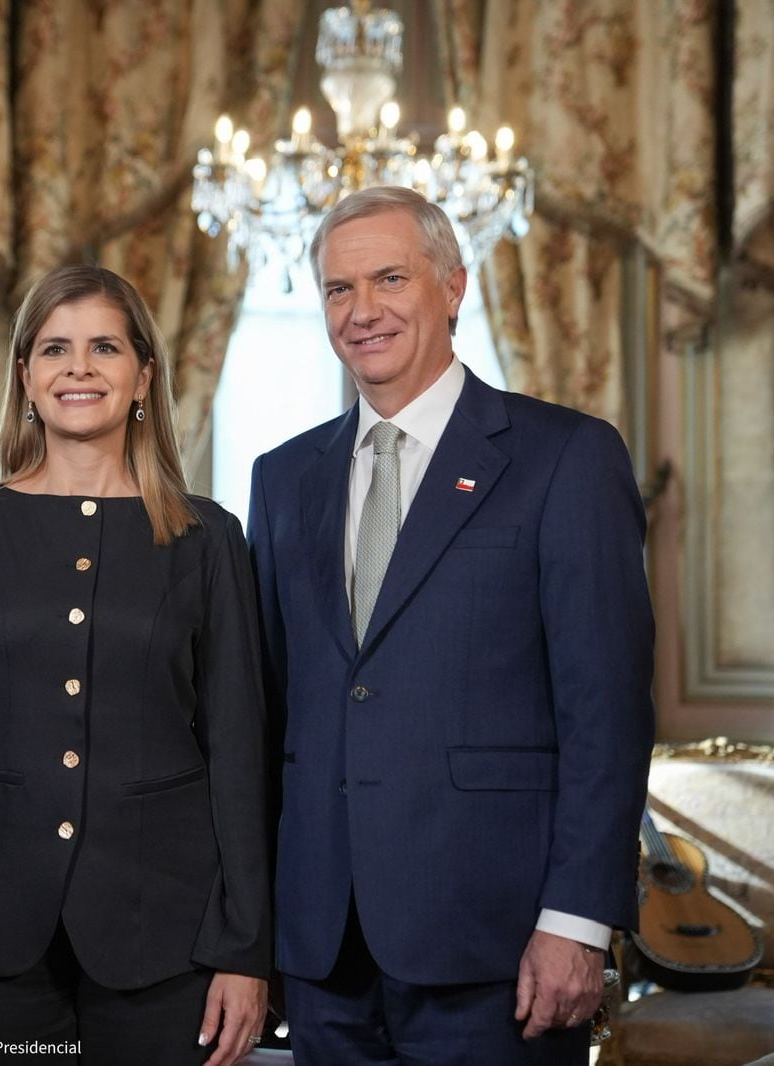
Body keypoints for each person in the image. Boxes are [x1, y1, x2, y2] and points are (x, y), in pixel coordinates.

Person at [247, 186, 654, 1065]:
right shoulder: (283, 480)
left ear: (454, 286)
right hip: (324, 950)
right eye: (338, 290)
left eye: (389, 278)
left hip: (501, 948)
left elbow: (607, 714)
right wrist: (257, 932)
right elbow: (272, 716)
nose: (363, 313)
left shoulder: (566, 458)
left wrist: (578, 922)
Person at [0, 264, 271, 1066]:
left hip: (167, 934)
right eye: (55, 349)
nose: (80, 368)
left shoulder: (209, 539)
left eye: (105, 347)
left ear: (143, 377)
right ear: (26, 377)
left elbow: (241, 754)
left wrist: (245, 947)